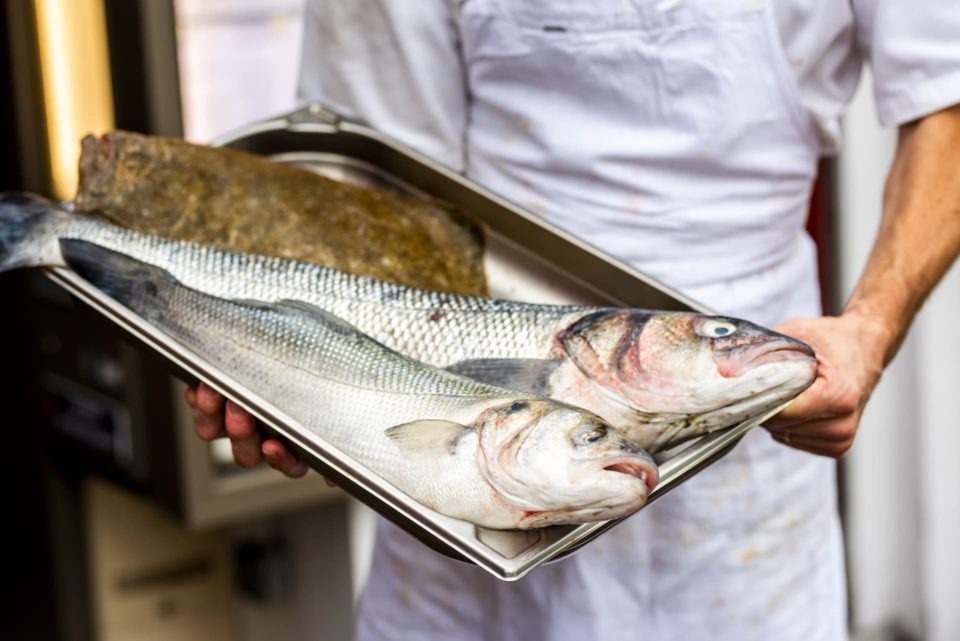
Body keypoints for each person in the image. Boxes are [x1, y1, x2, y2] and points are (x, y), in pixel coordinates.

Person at [186, 1, 960, 639]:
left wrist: (869, 328)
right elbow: (384, 188)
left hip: (745, 482)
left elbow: (946, 99)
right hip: (469, 414)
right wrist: (307, 386)